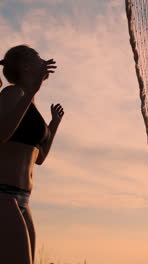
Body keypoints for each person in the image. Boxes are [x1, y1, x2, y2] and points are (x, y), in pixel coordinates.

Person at [0, 45, 64, 264]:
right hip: (3, 194)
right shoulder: (12, 93)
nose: (43, 61)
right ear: (26, 67)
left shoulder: (30, 101)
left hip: (23, 199)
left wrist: (53, 126)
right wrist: (32, 93)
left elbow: (40, 158)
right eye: (38, 58)